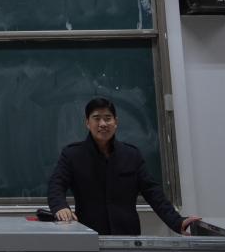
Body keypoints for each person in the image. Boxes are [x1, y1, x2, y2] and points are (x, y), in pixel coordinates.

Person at [48, 97, 201, 235]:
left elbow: (153, 192)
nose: (102, 124)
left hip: (127, 236)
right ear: (87, 123)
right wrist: (60, 207)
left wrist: (177, 222)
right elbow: (56, 185)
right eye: (96, 118)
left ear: (116, 122)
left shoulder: (131, 155)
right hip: (89, 235)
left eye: (107, 118)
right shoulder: (73, 155)